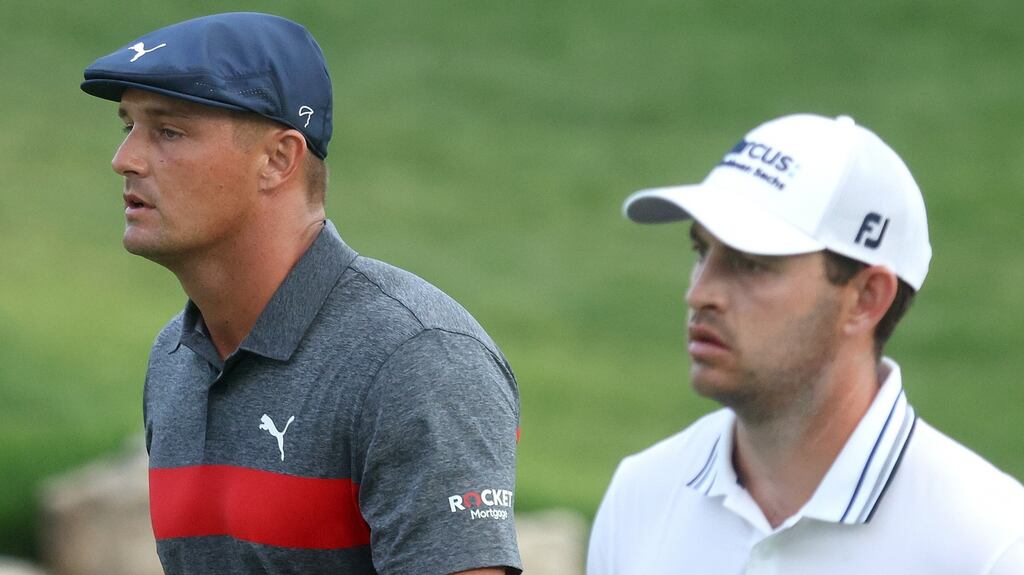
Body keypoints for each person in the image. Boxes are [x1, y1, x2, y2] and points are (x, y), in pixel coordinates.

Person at [81, 12, 521, 575]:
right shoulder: (175, 359)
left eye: (169, 131)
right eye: (128, 127)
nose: (125, 159)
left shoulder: (420, 360)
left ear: (277, 160)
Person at [587, 114, 1024, 574]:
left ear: (865, 298)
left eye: (750, 263)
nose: (700, 294)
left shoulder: (993, 545)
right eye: (702, 253)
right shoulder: (638, 498)